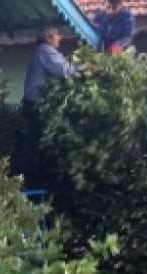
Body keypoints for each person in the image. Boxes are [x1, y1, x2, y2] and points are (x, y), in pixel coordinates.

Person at [16, 27, 88, 186]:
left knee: (33, 143)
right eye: (57, 35)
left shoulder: (42, 51)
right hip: (35, 105)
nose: (60, 38)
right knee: (31, 144)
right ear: (48, 38)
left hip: (32, 104)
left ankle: (24, 179)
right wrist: (87, 67)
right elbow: (63, 70)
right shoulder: (45, 50)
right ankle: (17, 179)